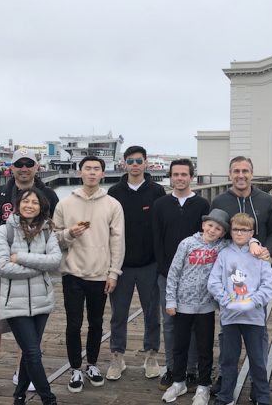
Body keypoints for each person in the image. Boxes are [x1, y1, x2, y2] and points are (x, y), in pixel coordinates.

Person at [0, 148, 59, 402]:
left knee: (30, 342)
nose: (24, 168)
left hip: (34, 283)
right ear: (11, 167)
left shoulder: (50, 195)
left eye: (29, 163)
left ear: (37, 167)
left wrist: (26, 261)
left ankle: (20, 382)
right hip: (1, 273)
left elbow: (54, 240)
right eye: (18, 164)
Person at [53, 155, 125, 393]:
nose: (92, 173)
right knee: (73, 324)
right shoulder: (65, 203)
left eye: (96, 169)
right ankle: (75, 368)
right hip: (72, 272)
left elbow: (118, 241)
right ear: (79, 172)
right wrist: (69, 234)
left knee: (96, 323)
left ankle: (92, 364)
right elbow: (54, 239)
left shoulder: (112, 204)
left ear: (103, 174)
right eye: (87, 169)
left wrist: (113, 272)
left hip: (100, 273)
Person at [210, 156, 272, 395]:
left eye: (245, 171)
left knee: (257, 347)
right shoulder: (219, 200)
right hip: (229, 270)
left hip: (257, 266)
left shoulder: (265, 199)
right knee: (228, 345)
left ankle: (259, 393)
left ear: (252, 173)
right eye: (236, 171)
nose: (241, 175)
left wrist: (263, 248)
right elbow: (216, 231)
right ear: (230, 174)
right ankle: (225, 386)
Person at [0, 188, 62, 405]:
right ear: (18, 204)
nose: (30, 205)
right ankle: (49, 399)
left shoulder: (47, 231)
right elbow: (2, 267)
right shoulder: (5, 231)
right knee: (33, 352)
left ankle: (19, 396)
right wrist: (38, 266)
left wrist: (20, 257)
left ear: (41, 207)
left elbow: (55, 261)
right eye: (26, 201)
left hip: (42, 301)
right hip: (15, 302)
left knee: (28, 351)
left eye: (35, 202)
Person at [107, 145, 166, 380]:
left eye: (138, 161)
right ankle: (117, 356)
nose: (134, 165)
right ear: (124, 163)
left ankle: (151, 354)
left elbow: (163, 226)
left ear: (146, 163)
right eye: (130, 161)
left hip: (149, 264)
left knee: (152, 313)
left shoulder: (157, 191)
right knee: (118, 313)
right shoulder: (113, 192)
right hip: (121, 265)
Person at [161, 209, 231, 405]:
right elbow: (174, 273)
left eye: (218, 228)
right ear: (203, 225)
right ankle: (178, 381)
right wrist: (170, 301)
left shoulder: (223, 247)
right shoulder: (187, 244)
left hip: (206, 306)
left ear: (223, 233)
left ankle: (203, 385)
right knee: (180, 345)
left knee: (204, 347)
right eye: (210, 225)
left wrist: (254, 243)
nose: (212, 230)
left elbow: (243, 242)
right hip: (183, 305)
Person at [152, 158, 209, 392]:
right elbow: (156, 239)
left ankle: (192, 369)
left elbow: (206, 239)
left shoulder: (202, 205)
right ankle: (173, 367)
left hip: (195, 276)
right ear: (170, 177)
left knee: (194, 323)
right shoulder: (160, 204)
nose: (180, 178)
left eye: (184, 174)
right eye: (175, 174)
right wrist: (164, 269)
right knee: (170, 322)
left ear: (191, 177)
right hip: (167, 274)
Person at [208, 213, 272, 405]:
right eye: (236, 229)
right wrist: (226, 301)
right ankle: (225, 396)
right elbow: (214, 282)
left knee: (257, 360)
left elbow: (268, 284)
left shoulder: (259, 254)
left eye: (244, 230)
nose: (239, 233)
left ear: (251, 233)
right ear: (231, 231)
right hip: (230, 317)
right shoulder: (224, 254)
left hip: (253, 317)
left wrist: (252, 302)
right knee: (228, 360)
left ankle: (262, 396)